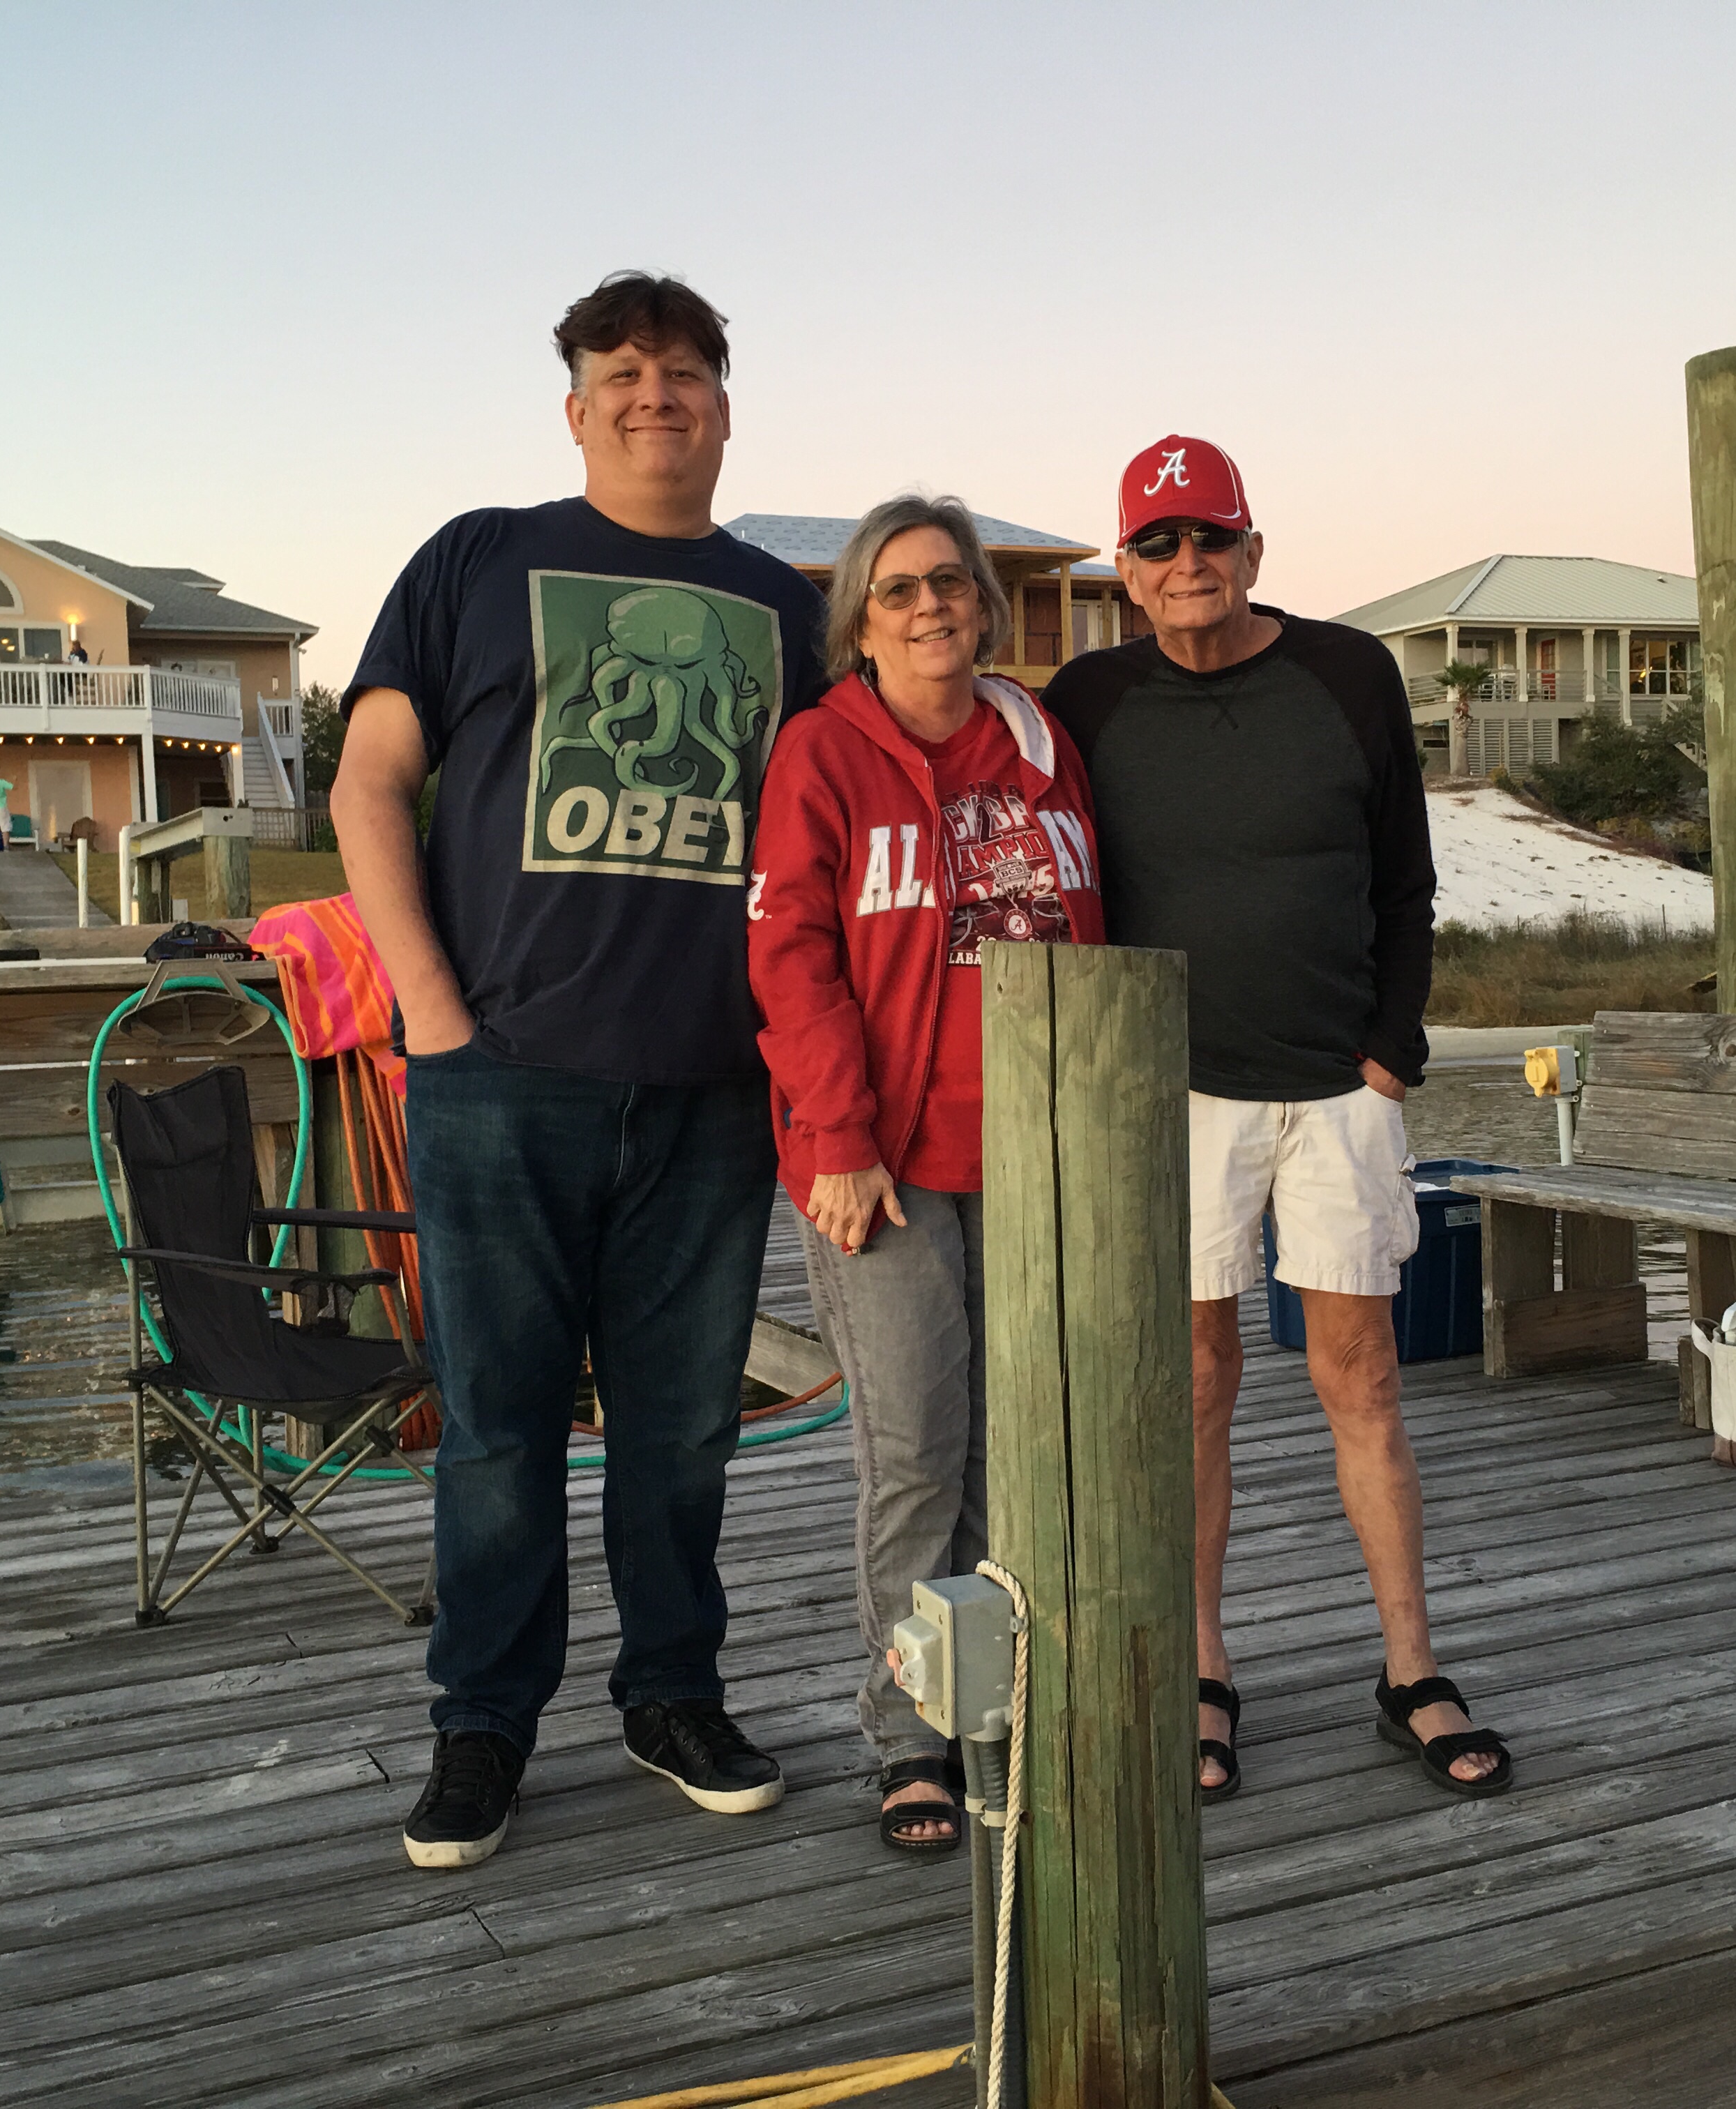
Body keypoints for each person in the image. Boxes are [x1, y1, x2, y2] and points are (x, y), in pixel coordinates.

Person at [333, 272, 830, 1871]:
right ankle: (482, 1725)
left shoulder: (788, 608)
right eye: (621, 372)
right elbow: (369, 783)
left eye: (684, 373)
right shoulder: (477, 559)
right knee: (498, 1431)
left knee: (684, 1432)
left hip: (713, 1091)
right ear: (574, 408)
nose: (652, 395)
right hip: (500, 1082)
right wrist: (431, 1011)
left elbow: (836, 831)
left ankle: (671, 1695)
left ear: (725, 410)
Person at [1043, 436, 1512, 1802]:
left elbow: (1405, 882)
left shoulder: (1349, 673)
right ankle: (1203, 1669)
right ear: (1125, 571)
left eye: (1211, 537)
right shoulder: (1084, 699)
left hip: (1336, 1087)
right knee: (1195, 1381)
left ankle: (1411, 1667)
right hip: (1173, 1088)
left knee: (1361, 1375)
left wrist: (1392, 1050)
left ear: (1253, 549)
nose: (1187, 562)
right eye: (1157, 543)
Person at [747, 496, 1103, 1854]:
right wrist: (837, 1135)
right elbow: (791, 958)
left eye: (950, 581)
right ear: (860, 621)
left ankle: (994, 1701)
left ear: (984, 605)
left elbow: (1085, 934)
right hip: (881, 1165)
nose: (930, 605)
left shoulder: (1039, 746)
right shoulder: (822, 751)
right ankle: (911, 1733)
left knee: (1011, 1450)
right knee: (913, 1450)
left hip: (1028, 1148)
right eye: (897, 589)